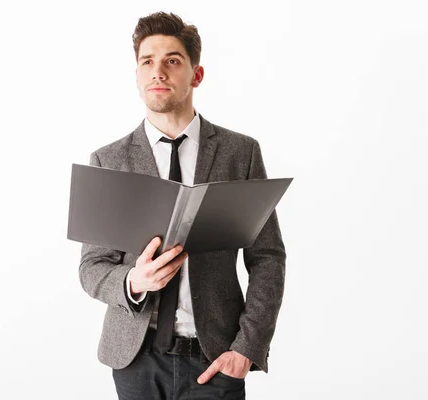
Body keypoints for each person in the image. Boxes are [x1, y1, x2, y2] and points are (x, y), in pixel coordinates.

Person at [78, 11, 286, 400]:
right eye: (147, 62)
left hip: (216, 360)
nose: (158, 71)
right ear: (137, 75)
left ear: (196, 74)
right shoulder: (109, 160)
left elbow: (268, 257)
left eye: (172, 60)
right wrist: (132, 282)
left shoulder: (240, 153)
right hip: (135, 361)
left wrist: (247, 347)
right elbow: (92, 267)